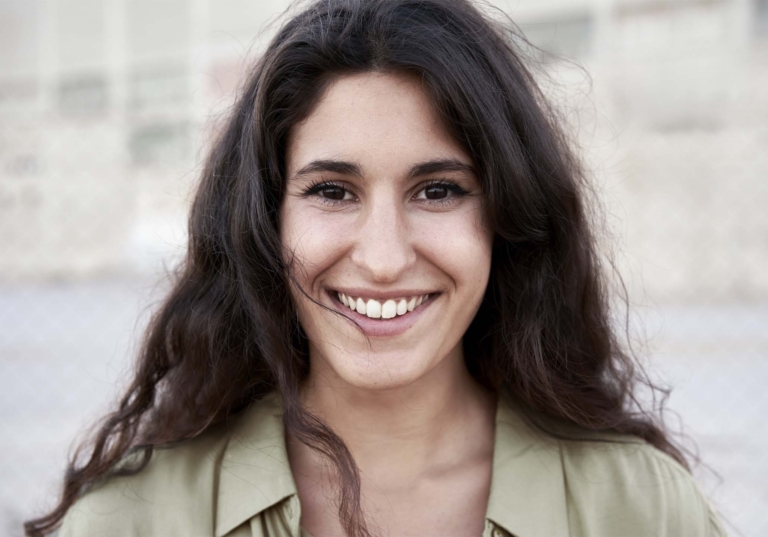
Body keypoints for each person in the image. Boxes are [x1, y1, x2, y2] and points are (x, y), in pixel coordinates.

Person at [25, 0, 728, 536]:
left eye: (439, 190)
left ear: (507, 218)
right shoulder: (133, 520)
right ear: (267, 221)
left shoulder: (642, 508)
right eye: (332, 191)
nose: (384, 258)